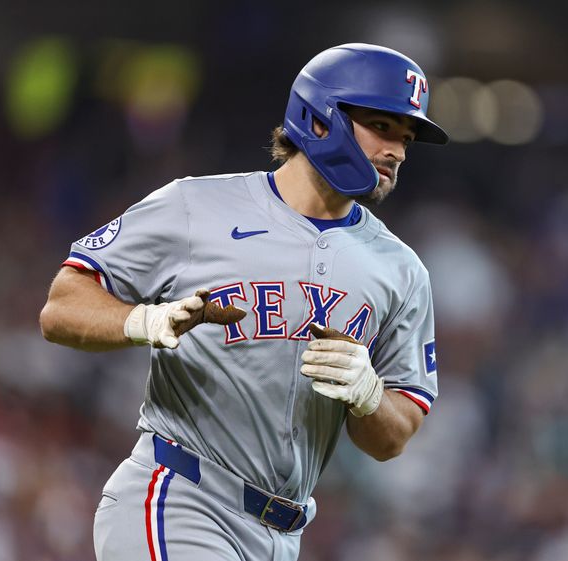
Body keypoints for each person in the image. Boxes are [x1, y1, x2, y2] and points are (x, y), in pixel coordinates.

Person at [39, 42, 447, 561]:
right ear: (320, 119)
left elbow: (393, 437)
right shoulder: (196, 206)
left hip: (283, 533)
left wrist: (368, 395)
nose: (398, 151)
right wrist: (144, 319)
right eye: (382, 127)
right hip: (182, 499)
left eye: (407, 137)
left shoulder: (401, 269)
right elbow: (62, 307)